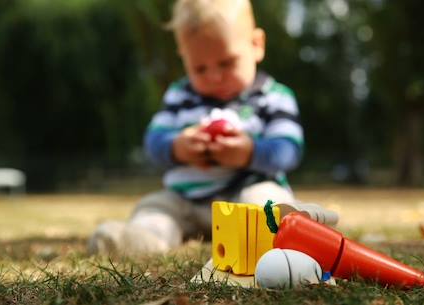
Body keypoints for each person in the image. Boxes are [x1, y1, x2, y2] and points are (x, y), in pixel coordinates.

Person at [89, 0, 307, 256]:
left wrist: (248, 152)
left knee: (265, 200)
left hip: (247, 190)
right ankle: (142, 240)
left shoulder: (274, 96)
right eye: (200, 68)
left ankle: (267, 240)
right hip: (186, 201)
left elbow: (288, 149)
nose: (214, 77)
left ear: (256, 45)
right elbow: (153, 141)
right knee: (156, 208)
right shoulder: (179, 96)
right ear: (184, 58)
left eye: (226, 63)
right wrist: (178, 147)